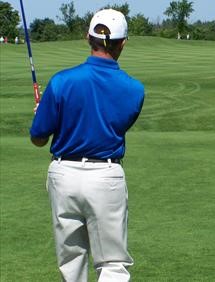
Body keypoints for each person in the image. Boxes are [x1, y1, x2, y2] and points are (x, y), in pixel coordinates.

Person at [30, 9, 145, 282]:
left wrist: (43, 114)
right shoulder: (135, 89)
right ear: (123, 43)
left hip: (63, 174)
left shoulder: (61, 82)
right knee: (113, 264)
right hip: (105, 176)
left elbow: (38, 138)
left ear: (87, 38)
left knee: (71, 263)